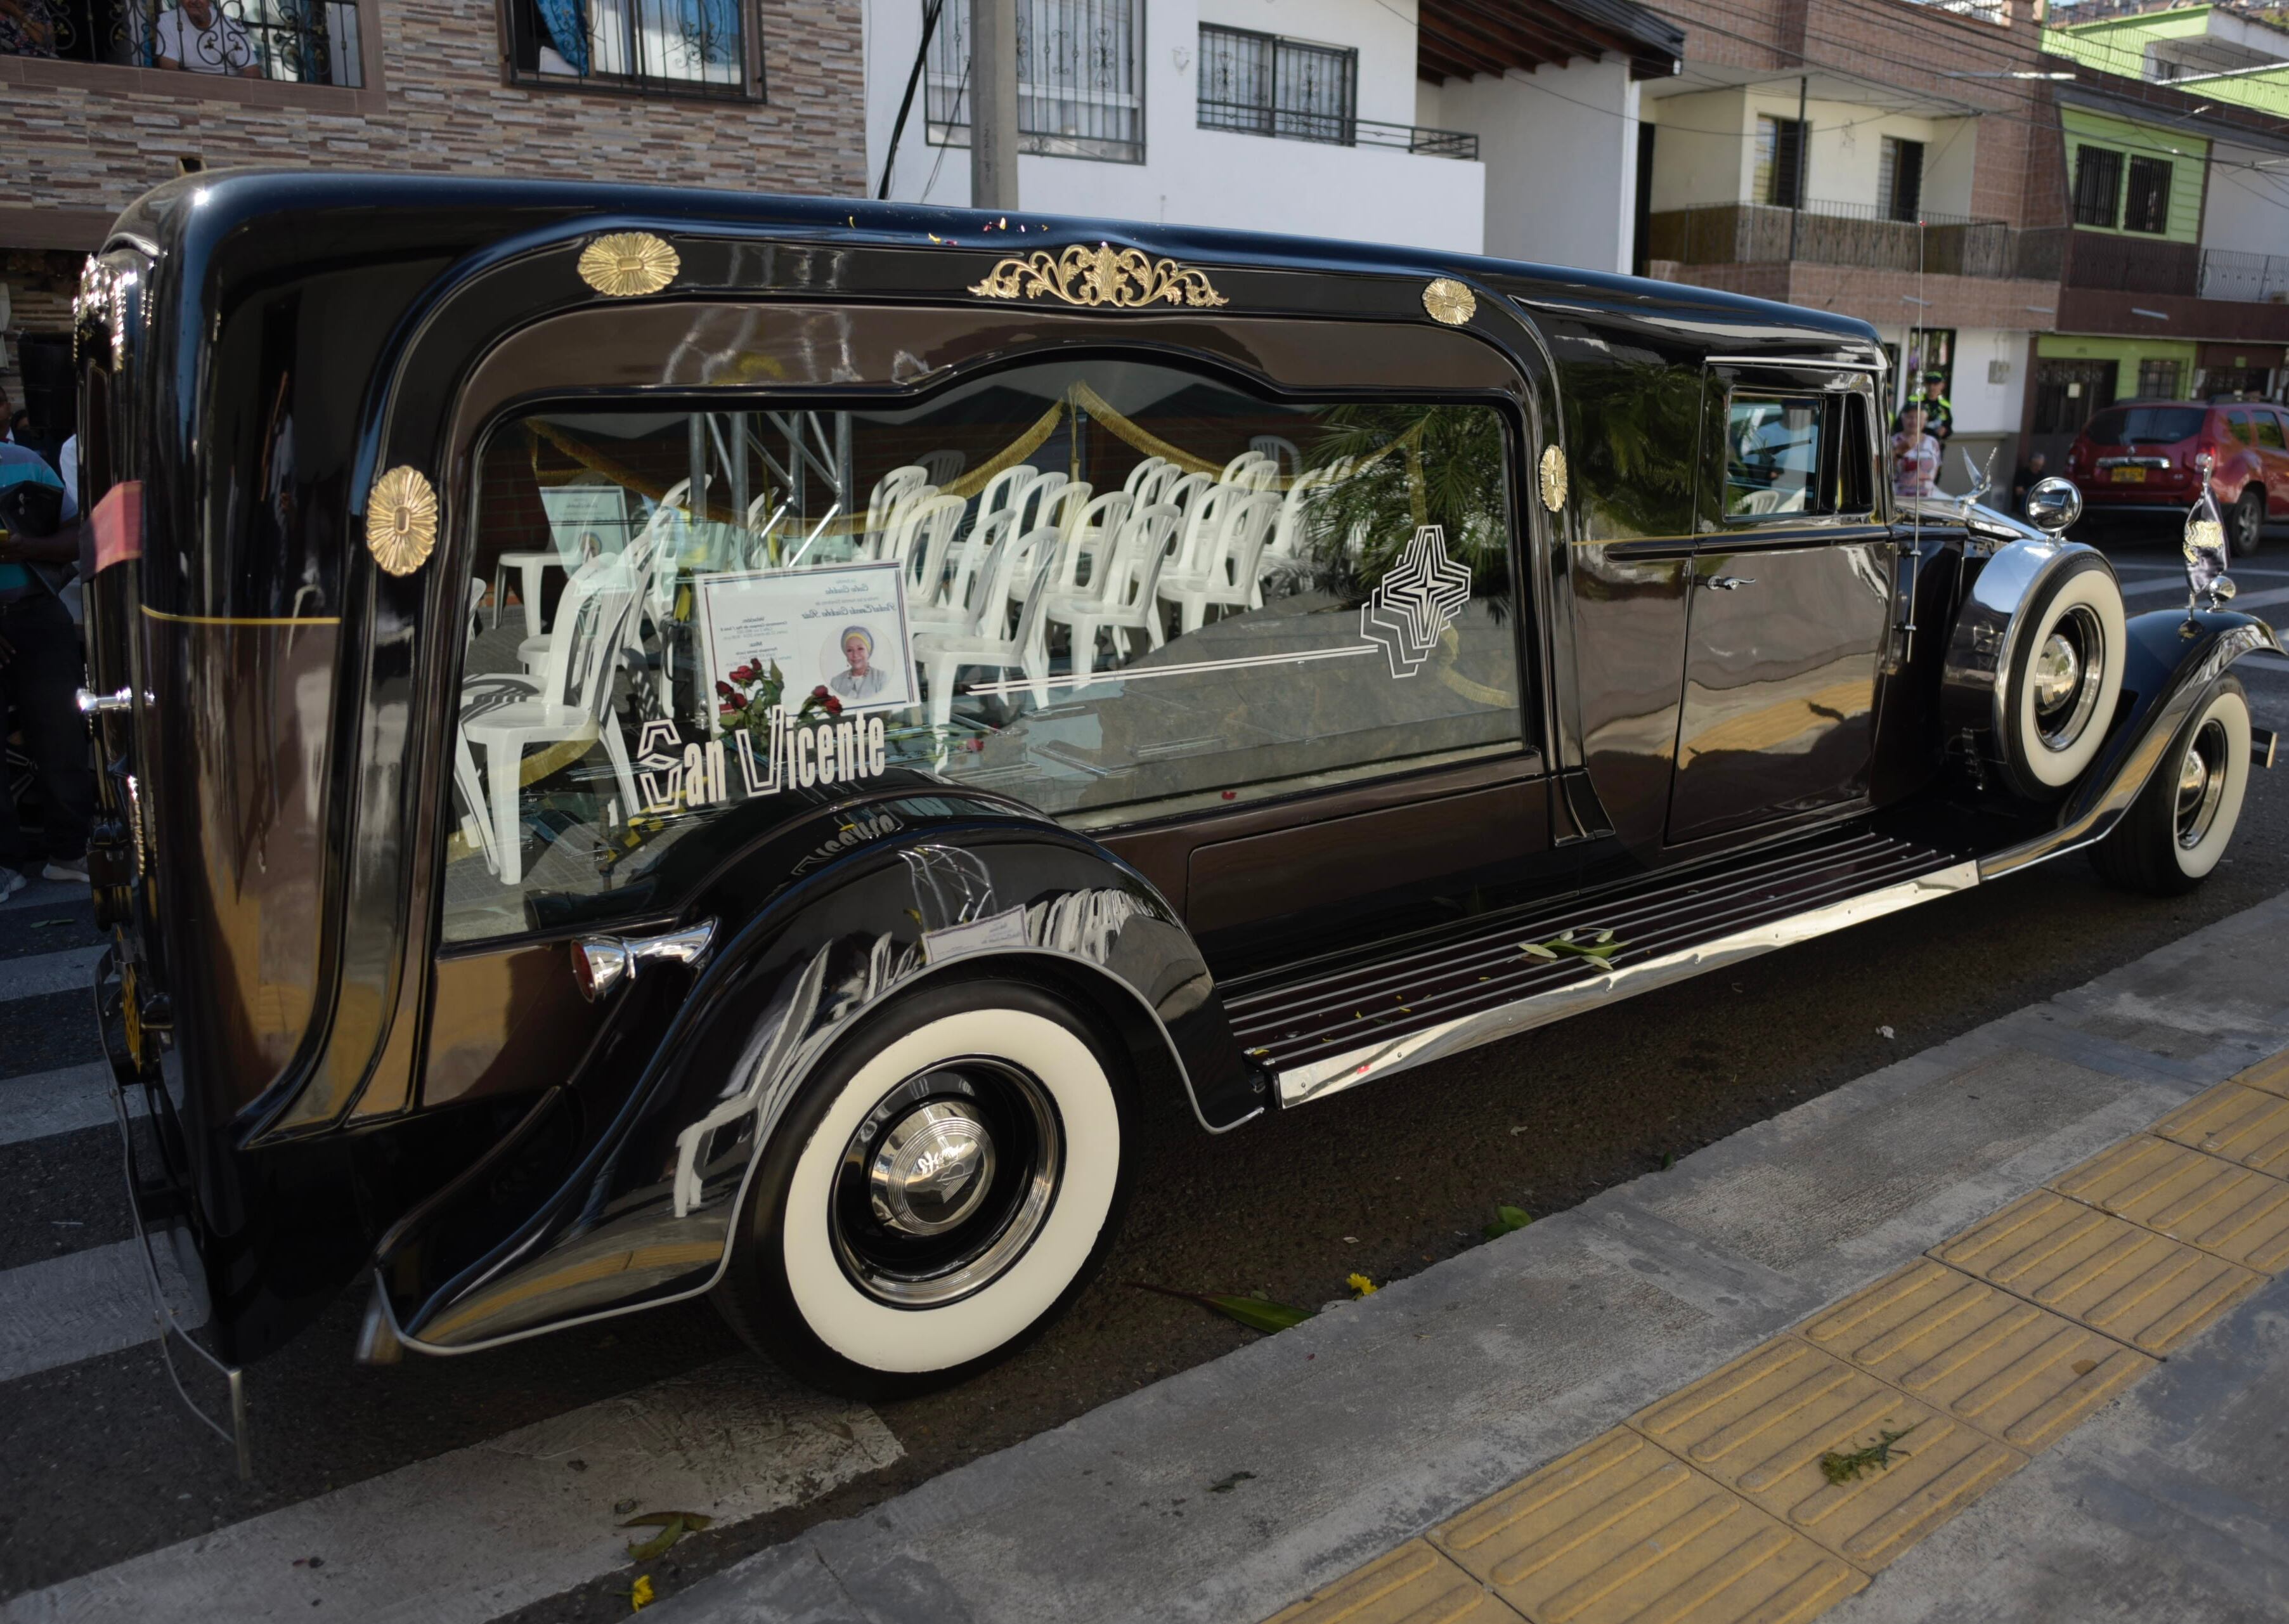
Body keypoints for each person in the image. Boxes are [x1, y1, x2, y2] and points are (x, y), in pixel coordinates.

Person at [0, 441, 93, 893]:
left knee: (63, 734)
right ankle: (6, 866)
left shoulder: (27, 464)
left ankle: (69, 853)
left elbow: (77, 535)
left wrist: (27, 547)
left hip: (37, 612)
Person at [154, 0, 263, 77]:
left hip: (230, 85)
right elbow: (168, 69)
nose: (194, 1)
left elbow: (252, 72)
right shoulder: (167, 21)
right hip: (189, 86)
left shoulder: (232, 26)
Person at [1891, 403, 1940, 501]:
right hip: (1900, 501)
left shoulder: (1932, 442)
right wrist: (1901, 449)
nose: (1914, 421)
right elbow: (1883, 469)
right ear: (1903, 419)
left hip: (1926, 501)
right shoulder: (1893, 441)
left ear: (1925, 420)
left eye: (1919, 417)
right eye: (1910, 417)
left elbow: (1936, 468)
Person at [827, 625, 888, 703]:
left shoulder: (881, 678)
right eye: (850, 650)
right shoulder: (836, 682)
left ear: (868, 651)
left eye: (860, 649)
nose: (855, 655)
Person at [2011, 450, 2047, 515]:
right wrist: (2033, 493)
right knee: (2031, 489)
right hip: (2025, 503)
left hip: (2039, 502)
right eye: (2036, 465)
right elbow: (2018, 492)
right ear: (2030, 463)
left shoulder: (2042, 475)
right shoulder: (2022, 473)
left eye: (2040, 466)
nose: (2038, 468)